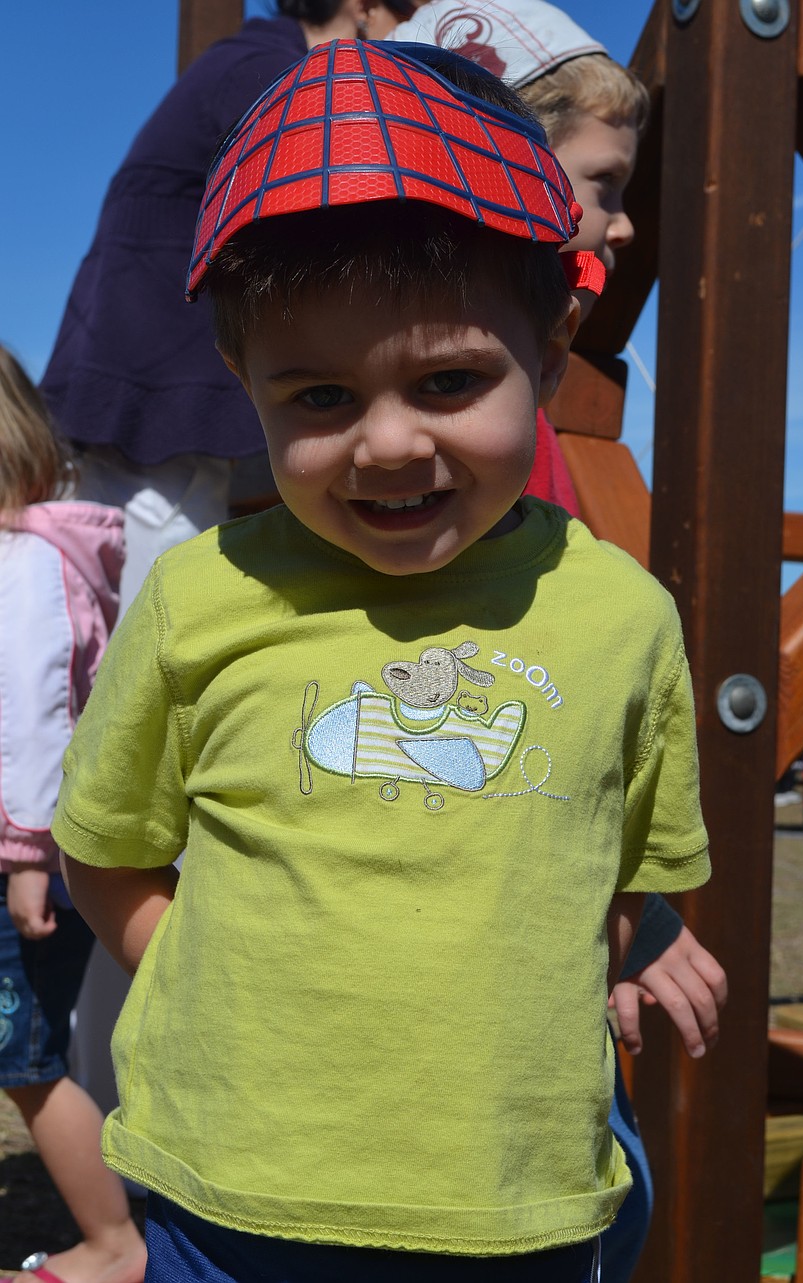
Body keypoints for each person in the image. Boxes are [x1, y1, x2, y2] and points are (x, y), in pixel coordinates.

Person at [55, 41, 711, 1282]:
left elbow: (621, 867)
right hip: (234, 1198)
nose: (389, 442)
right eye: (317, 398)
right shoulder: (204, 598)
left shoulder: (620, 616)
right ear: (243, 383)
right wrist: (211, 972)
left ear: (552, 355)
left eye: (451, 379)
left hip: (515, 1205)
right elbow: (107, 843)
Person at [39, 0, 427, 1125]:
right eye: (403, 17)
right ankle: (125, 1104)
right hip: (155, 436)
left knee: (150, 754)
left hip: (154, 428)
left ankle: (117, 1097)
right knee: (164, 752)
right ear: (358, 9)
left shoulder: (242, 67)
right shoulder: (275, 75)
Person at [387, 6, 729, 1276]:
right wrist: (622, 930)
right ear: (510, 169)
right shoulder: (473, 444)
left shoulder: (514, 417)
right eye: (602, 188)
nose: (624, 225)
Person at [0, 347, 145, 1283]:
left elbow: (37, 711)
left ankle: (113, 1243)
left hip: (23, 858)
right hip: (23, 846)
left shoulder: (24, 564)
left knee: (27, 1054)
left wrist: (23, 855)